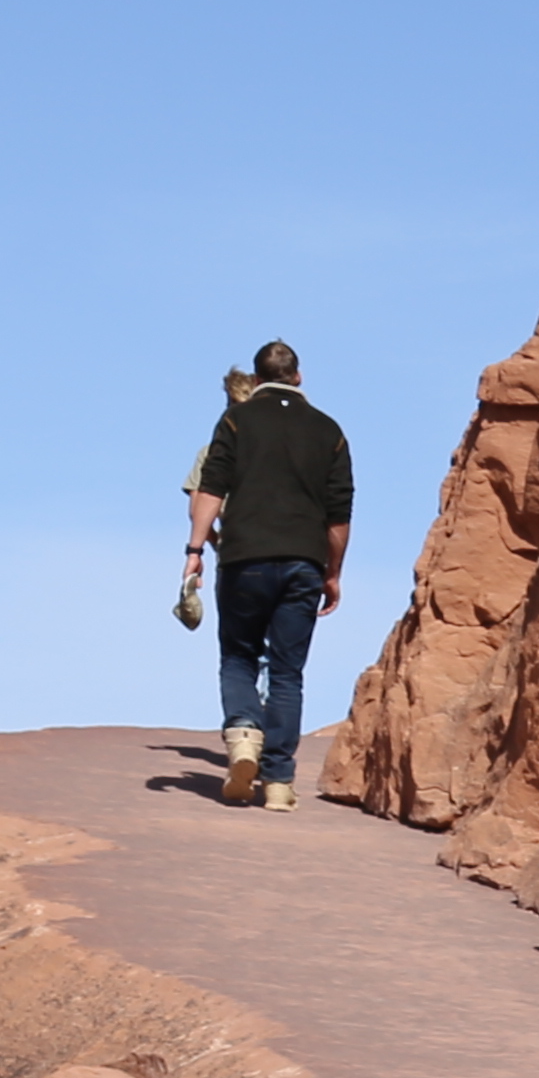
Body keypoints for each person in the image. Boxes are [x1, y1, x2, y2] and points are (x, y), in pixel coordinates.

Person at [191, 345, 351, 811]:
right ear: (298, 377)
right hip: (304, 562)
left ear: (257, 380)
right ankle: (278, 782)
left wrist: (195, 550)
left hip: (245, 559)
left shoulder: (237, 422)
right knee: (287, 673)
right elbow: (340, 512)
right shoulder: (329, 430)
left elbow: (211, 487)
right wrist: (333, 571)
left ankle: (243, 737)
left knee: (239, 656)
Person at [177, 366, 252, 631]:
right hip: (288, 553)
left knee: (238, 652)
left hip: (235, 555)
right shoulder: (281, 448)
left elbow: (197, 509)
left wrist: (214, 545)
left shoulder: (211, 452)